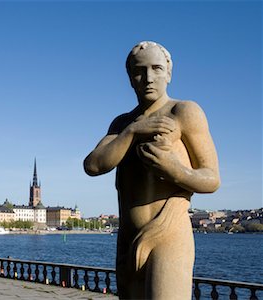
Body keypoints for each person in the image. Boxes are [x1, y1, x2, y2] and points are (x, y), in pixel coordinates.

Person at [84, 41, 220, 299]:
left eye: (157, 68)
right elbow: (93, 165)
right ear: (130, 78)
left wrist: (174, 170)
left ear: (169, 73)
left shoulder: (184, 111)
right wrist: (133, 131)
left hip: (169, 232)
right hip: (127, 236)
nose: (148, 78)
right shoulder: (122, 124)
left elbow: (212, 178)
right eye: (139, 70)